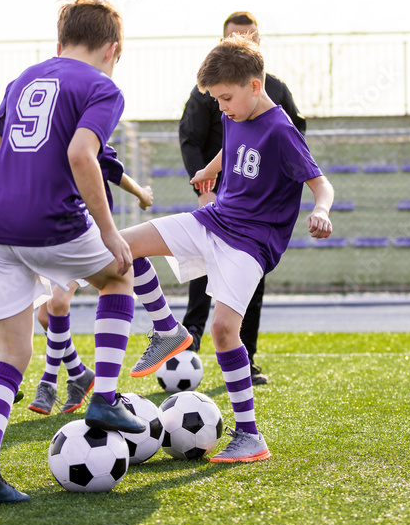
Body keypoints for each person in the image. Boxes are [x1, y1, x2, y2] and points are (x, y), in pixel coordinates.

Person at [0, 0, 163, 505]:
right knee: (118, 276)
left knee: (11, 351)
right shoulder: (103, 86)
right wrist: (110, 231)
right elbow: (80, 154)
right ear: (114, 48)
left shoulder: (24, 79)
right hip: (49, 217)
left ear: (60, 41)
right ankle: (105, 398)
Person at [122, 33, 334, 463]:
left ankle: (250, 435)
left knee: (222, 331)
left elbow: (320, 181)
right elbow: (233, 144)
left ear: (255, 87)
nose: (221, 107)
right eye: (217, 99)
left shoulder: (281, 131)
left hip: (250, 244)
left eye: (225, 98)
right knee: (125, 246)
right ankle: (168, 330)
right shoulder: (234, 112)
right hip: (213, 219)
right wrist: (208, 167)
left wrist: (322, 210)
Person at [178, 11, 307, 385]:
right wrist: (205, 189)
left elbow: (296, 145)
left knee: (249, 278)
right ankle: (189, 342)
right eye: (234, 37)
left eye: (249, 37)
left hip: (258, 212)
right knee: (202, 266)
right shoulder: (205, 95)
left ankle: (245, 356)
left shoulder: (277, 92)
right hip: (219, 201)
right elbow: (191, 140)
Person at [29, 165, 191, 414]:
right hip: (51, 236)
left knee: (59, 302)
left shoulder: (82, 138)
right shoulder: (46, 145)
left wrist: (141, 193)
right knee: (44, 317)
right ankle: (79, 373)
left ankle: (48, 382)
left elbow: (113, 169)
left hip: (83, 235)